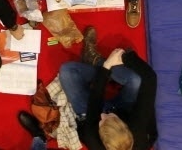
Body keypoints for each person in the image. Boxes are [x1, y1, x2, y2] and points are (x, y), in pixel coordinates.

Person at [28, 36, 157, 150]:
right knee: (136, 80)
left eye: (101, 122)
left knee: (67, 72)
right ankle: (98, 61)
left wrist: (106, 67)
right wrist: (126, 57)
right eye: (110, 117)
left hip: (89, 112)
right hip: (124, 108)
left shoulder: (92, 138)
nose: (103, 115)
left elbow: (96, 102)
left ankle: (103, 65)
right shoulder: (139, 129)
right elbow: (150, 78)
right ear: (125, 126)